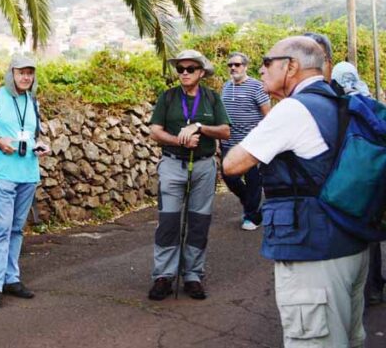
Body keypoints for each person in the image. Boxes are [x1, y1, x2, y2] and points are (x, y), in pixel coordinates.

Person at [225, 37, 368, 347]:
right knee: (350, 338)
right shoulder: (339, 101)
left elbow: (233, 164)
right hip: (351, 245)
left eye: (266, 62)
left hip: (313, 254)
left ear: (290, 66)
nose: (260, 71)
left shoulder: (293, 109)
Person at [147, 49, 230, 301]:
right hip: (173, 164)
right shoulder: (168, 97)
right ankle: (164, 276)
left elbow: (225, 131)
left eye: (190, 69)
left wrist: (200, 127)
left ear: (201, 72)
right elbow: (155, 131)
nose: (183, 73)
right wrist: (179, 140)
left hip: (203, 167)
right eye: (180, 69)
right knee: (169, 222)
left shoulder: (212, 98)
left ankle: (193, 275)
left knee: (198, 222)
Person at [0, 54, 49, 309]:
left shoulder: (33, 101)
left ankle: (11, 278)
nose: (26, 77)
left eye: (30, 72)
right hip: (3, 171)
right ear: (11, 73)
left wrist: (39, 146)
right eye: (21, 72)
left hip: (28, 171)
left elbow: (31, 134)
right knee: (2, 228)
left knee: (17, 228)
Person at [330, 61, 383, 307]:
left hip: (348, 178)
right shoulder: (371, 103)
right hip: (374, 176)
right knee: (371, 231)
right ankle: (373, 288)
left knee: (349, 228)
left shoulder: (338, 105)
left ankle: (354, 290)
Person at [220, 52, 270, 230]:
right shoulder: (226, 87)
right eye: (230, 65)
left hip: (251, 145)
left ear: (245, 66)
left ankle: (251, 217)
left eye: (237, 65)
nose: (233, 68)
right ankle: (248, 202)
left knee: (253, 181)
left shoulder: (256, 87)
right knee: (228, 176)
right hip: (228, 143)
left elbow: (267, 114)